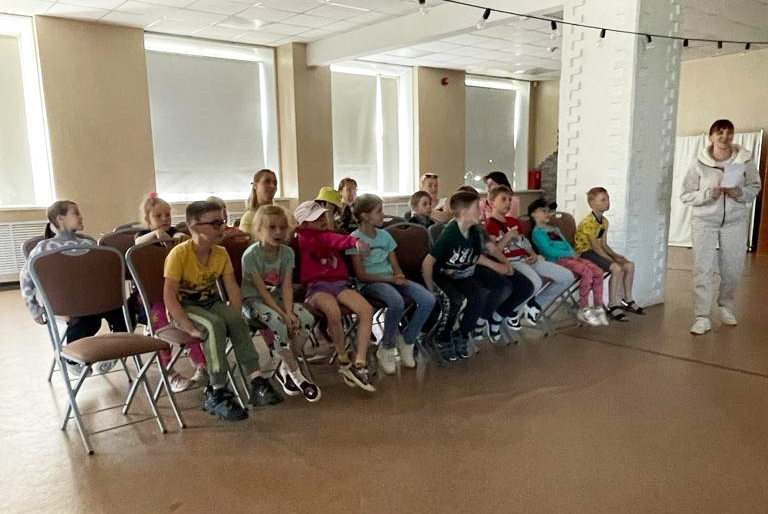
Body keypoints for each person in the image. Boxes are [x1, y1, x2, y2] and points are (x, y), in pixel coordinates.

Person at [163, 201, 282, 422]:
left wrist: (234, 316)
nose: (223, 227)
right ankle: (216, 390)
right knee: (214, 325)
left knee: (237, 320)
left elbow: (232, 288)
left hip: (211, 302)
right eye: (216, 223)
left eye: (223, 222)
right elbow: (169, 296)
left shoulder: (221, 253)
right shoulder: (179, 255)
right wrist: (187, 326)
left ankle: (256, 380)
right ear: (195, 226)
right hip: (186, 307)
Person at [421, 191, 534, 361]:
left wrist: (504, 264)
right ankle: (443, 338)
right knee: (454, 301)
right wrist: (430, 289)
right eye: (477, 207)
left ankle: (462, 334)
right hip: (444, 276)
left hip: (463, 273)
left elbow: (479, 254)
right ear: (465, 212)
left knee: (480, 296)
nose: (481, 210)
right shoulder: (450, 233)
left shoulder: (475, 230)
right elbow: (428, 262)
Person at [20, 200, 126, 376]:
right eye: (76, 213)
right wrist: (34, 308)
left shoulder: (89, 243)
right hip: (69, 304)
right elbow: (26, 278)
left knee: (121, 314)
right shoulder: (44, 248)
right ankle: (72, 359)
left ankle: (115, 352)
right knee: (86, 320)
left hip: (94, 299)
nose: (81, 217)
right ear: (60, 219)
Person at [680, 119, 762, 335]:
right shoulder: (698, 162)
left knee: (733, 268)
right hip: (704, 221)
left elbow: (755, 186)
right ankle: (702, 316)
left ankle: (725, 306)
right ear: (711, 137)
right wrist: (708, 194)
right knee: (703, 268)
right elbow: (686, 194)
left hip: (735, 222)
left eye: (729, 133)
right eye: (720, 133)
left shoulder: (745, 160)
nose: (725, 137)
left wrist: (739, 193)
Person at [294, 200, 376, 392]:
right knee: (332, 310)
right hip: (316, 289)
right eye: (316, 219)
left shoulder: (328, 234)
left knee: (366, 310)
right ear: (304, 224)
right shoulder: (305, 238)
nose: (323, 220)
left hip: (339, 285)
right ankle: (342, 358)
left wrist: (355, 242)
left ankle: (360, 362)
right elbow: (332, 241)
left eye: (323, 216)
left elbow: (337, 239)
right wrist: (354, 241)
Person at [350, 194, 436, 375]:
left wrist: (398, 275)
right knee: (396, 301)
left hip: (391, 279)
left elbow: (394, 264)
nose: (383, 215)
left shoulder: (385, 236)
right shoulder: (354, 239)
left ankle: (407, 340)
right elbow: (361, 275)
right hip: (371, 284)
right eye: (378, 211)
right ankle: (387, 346)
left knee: (428, 299)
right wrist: (390, 279)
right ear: (365, 216)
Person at [241, 205, 320, 402]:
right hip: (253, 301)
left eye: (282, 227)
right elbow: (261, 291)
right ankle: (298, 376)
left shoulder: (287, 253)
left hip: (276, 298)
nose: (278, 232)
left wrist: (290, 311)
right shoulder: (250, 255)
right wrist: (284, 314)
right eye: (272, 227)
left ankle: (285, 366)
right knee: (279, 321)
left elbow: (286, 286)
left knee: (306, 317)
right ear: (259, 230)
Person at [134, 193, 206, 393]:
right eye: (158, 216)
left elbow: (189, 241)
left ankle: (201, 365)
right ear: (148, 219)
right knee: (162, 327)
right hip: (152, 296)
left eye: (167, 215)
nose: (165, 219)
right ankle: (168, 371)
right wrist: (156, 234)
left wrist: (178, 238)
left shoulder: (175, 233)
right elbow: (137, 243)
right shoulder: (143, 235)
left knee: (188, 325)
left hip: (176, 294)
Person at [484, 185, 574, 325]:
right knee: (534, 283)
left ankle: (535, 304)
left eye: (510, 199)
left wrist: (533, 254)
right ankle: (510, 311)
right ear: (491, 202)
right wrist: (507, 237)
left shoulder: (514, 222)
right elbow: (493, 251)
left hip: (527, 259)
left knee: (566, 276)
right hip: (511, 262)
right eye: (503, 199)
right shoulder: (490, 225)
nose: (508, 203)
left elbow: (524, 242)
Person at [529, 199, 606, 327]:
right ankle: (584, 307)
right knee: (587, 272)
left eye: (548, 211)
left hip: (571, 258)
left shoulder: (554, 229)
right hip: (557, 260)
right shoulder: (537, 232)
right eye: (543, 211)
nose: (547, 213)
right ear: (534, 214)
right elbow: (549, 251)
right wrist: (570, 254)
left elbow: (566, 244)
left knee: (598, 271)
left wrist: (572, 253)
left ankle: (598, 306)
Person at [574, 187, 642, 322]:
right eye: (603, 200)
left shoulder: (604, 221)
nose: (607, 202)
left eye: (608, 199)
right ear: (592, 203)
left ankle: (627, 299)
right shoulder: (588, 222)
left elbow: (603, 245)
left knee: (629, 265)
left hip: (596, 251)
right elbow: (595, 247)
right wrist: (613, 261)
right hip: (585, 253)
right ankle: (613, 305)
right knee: (616, 268)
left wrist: (616, 256)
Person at [239, 169, 278, 235]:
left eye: (275, 183)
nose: (272, 186)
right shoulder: (248, 219)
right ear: (255, 185)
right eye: (267, 182)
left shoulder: (283, 214)